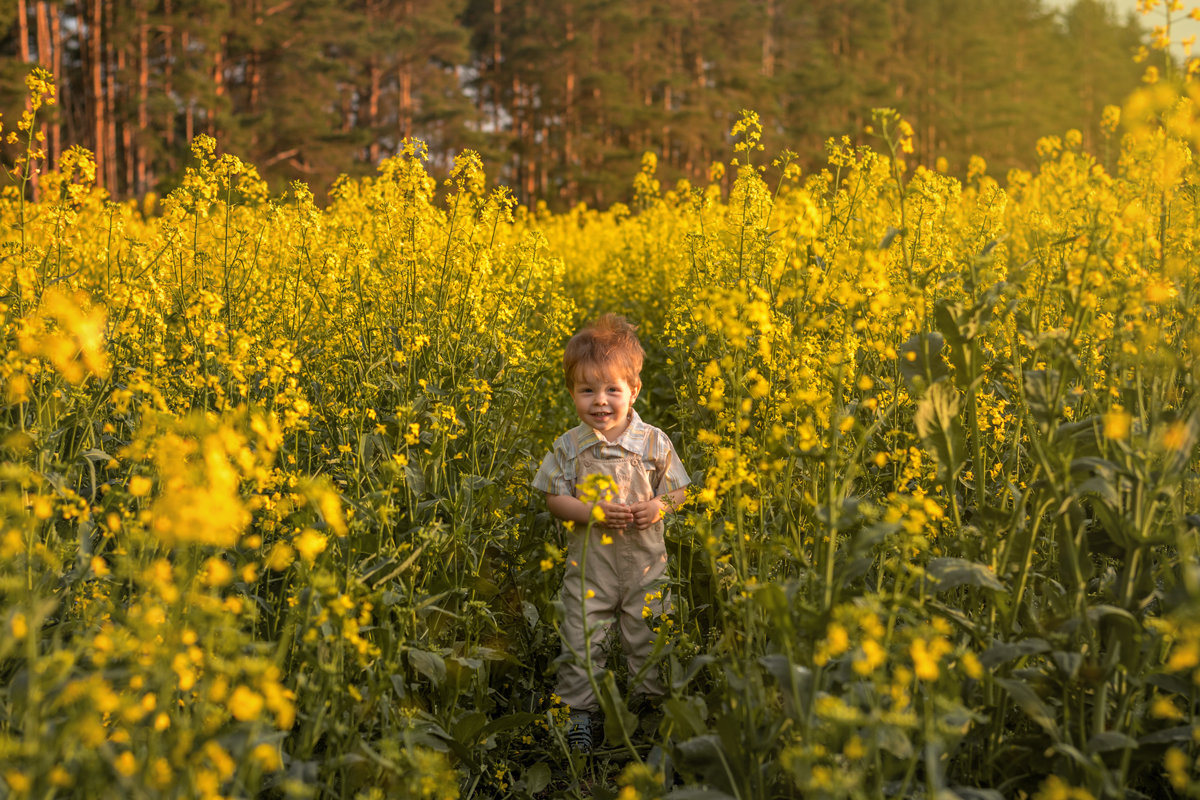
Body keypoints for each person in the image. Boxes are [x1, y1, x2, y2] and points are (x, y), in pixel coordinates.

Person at [532, 313, 689, 753]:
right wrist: (591, 511)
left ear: (633, 391)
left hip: (646, 564)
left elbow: (679, 491)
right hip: (590, 569)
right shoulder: (568, 446)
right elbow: (553, 498)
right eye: (587, 391)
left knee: (651, 634)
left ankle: (651, 710)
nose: (599, 401)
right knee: (582, 636)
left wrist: (659, 506)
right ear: (572, 394)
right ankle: (580, 713)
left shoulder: (654, 442)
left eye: (611, 390)